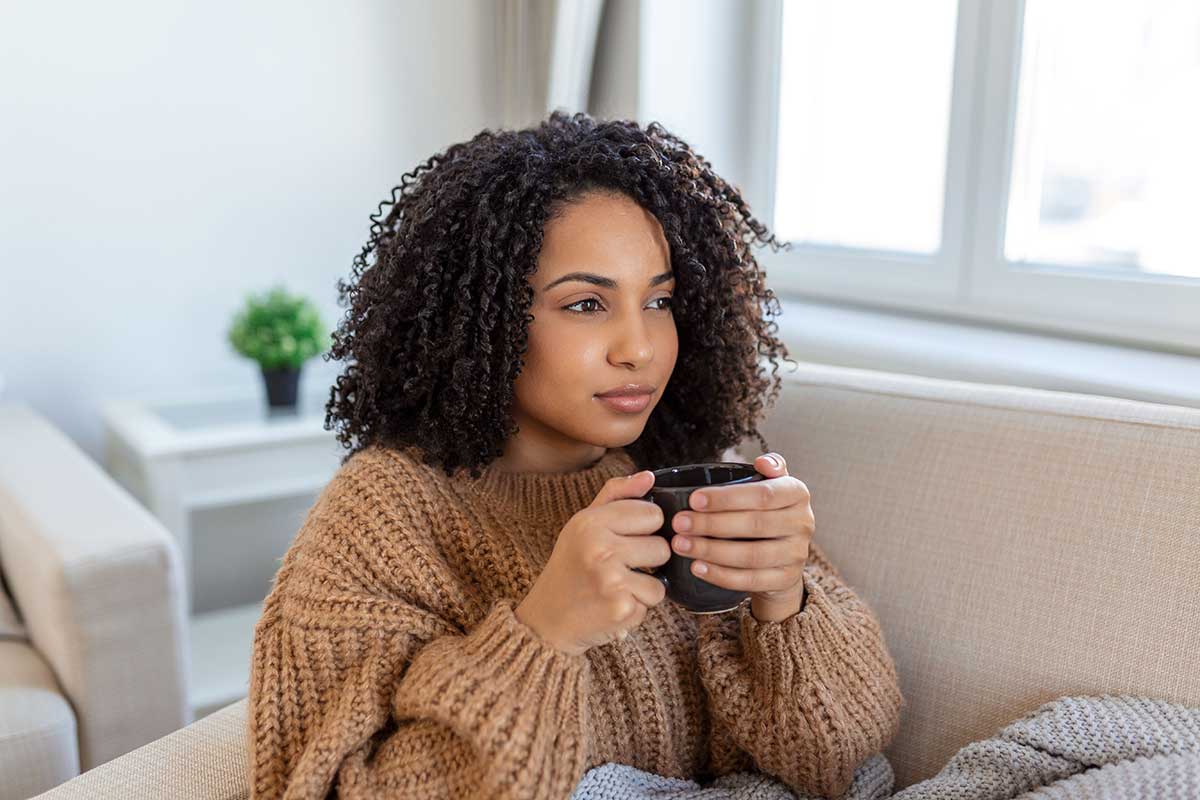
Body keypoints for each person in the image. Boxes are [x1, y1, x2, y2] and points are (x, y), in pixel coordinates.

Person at [246, 110, 904, 800]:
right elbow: (328, 787)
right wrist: (545, 633)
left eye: (660, 301)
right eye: (588, 304)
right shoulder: (382, 519)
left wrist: (785, 598)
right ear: (483, 322)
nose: (640, 348)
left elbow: (842, 755)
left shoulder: (684, 471)